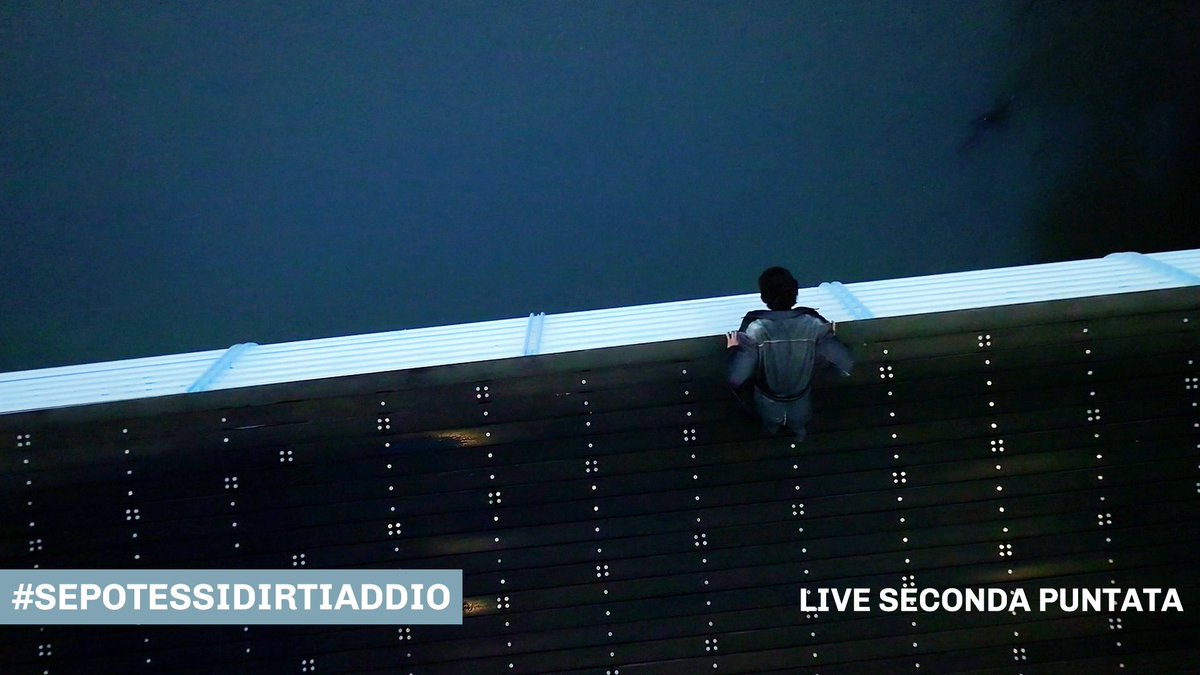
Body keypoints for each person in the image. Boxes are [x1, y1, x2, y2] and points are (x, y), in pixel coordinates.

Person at [726, 266, 854, 438]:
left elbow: (737, 376)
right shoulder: (813, 323)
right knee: (800, 428)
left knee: (769, 428)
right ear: (794, 292)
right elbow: (845, 362)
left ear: (764, 296)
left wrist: (733, 348)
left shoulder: (756, 328)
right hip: (801, 400)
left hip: (767, 402)